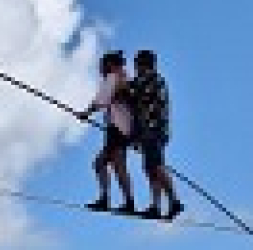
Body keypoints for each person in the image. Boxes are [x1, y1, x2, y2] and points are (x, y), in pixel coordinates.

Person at [128, 50, 184, 220]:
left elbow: (134, 94)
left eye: (137, 64)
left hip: (154, 130)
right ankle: (156, 205)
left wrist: (119, 86)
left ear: (144, 64)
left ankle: (174, 201)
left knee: (156, 165)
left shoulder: (152, 79)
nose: (135, 67)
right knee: (150, 167)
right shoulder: (146, 80)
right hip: (149, 132)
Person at [77, 51, 135, 214]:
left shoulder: (113, 77)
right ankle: (110, 199)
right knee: (105, 164)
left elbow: (101, 100)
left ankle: (123, 201)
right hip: (124, 129)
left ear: (109, 64)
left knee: (114, 165)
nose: (100, 69)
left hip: (116, 129)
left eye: (102, 65)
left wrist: (85, 113)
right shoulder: (125, 78)